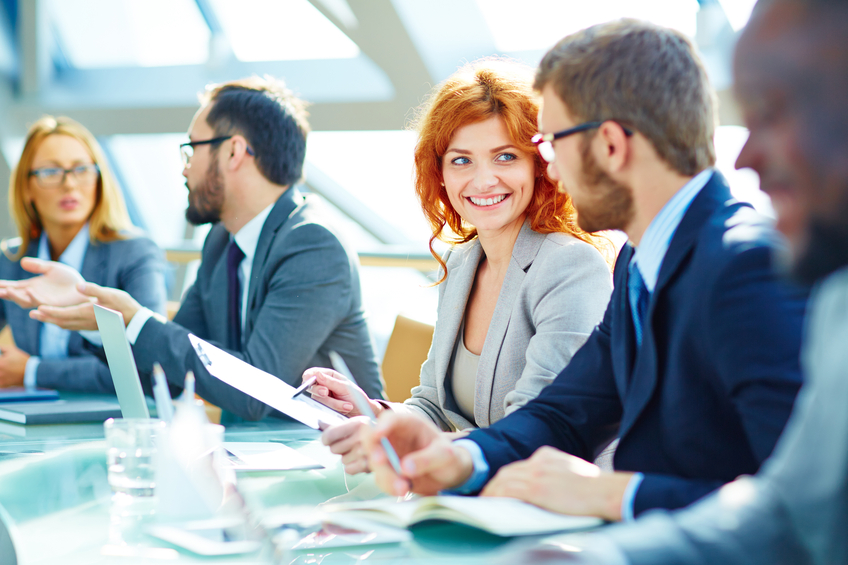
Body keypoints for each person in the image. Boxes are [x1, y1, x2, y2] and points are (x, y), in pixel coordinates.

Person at [361, 19, 808, 522]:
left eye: (551, 144)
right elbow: (566, 413)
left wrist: (614, 494)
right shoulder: (641, 263)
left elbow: (806, 503)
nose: (548, 169)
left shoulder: (747, 269)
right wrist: (459, 457)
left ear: (611, 145)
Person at [548, 1, 848, 563]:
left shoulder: (746, 266)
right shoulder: (838, 300)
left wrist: (615, 496)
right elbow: (785, 511)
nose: (746, 155)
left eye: (774, 112)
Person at [0, 78, 384, 422]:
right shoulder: (222, 241)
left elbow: (256, 392)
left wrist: (134, 319)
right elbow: (167, 363)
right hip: (256, 454)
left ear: (233, 153)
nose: (184, 169)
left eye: (192, 149)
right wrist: (103, 319)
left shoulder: (313, 243)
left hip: (336, 463)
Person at [303, 60, 613, 475]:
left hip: (549, 504)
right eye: (462, 160)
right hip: (472, 492)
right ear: (441, 173)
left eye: (505, 157)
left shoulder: (569, 266)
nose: (483, 181)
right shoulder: (463, 262)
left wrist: (420, 448)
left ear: (539, 165)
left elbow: (539, 434)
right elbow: (432, 404)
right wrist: (373, 414)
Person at [0, 116, 166, 393]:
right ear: (26, 187)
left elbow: (148, 366)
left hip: (108, 419)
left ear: (99, 180)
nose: (69, 184)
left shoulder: (135, 253)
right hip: (30, 417)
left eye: (81, 169)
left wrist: (33, 371)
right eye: (50, 172)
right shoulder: (13, 259)